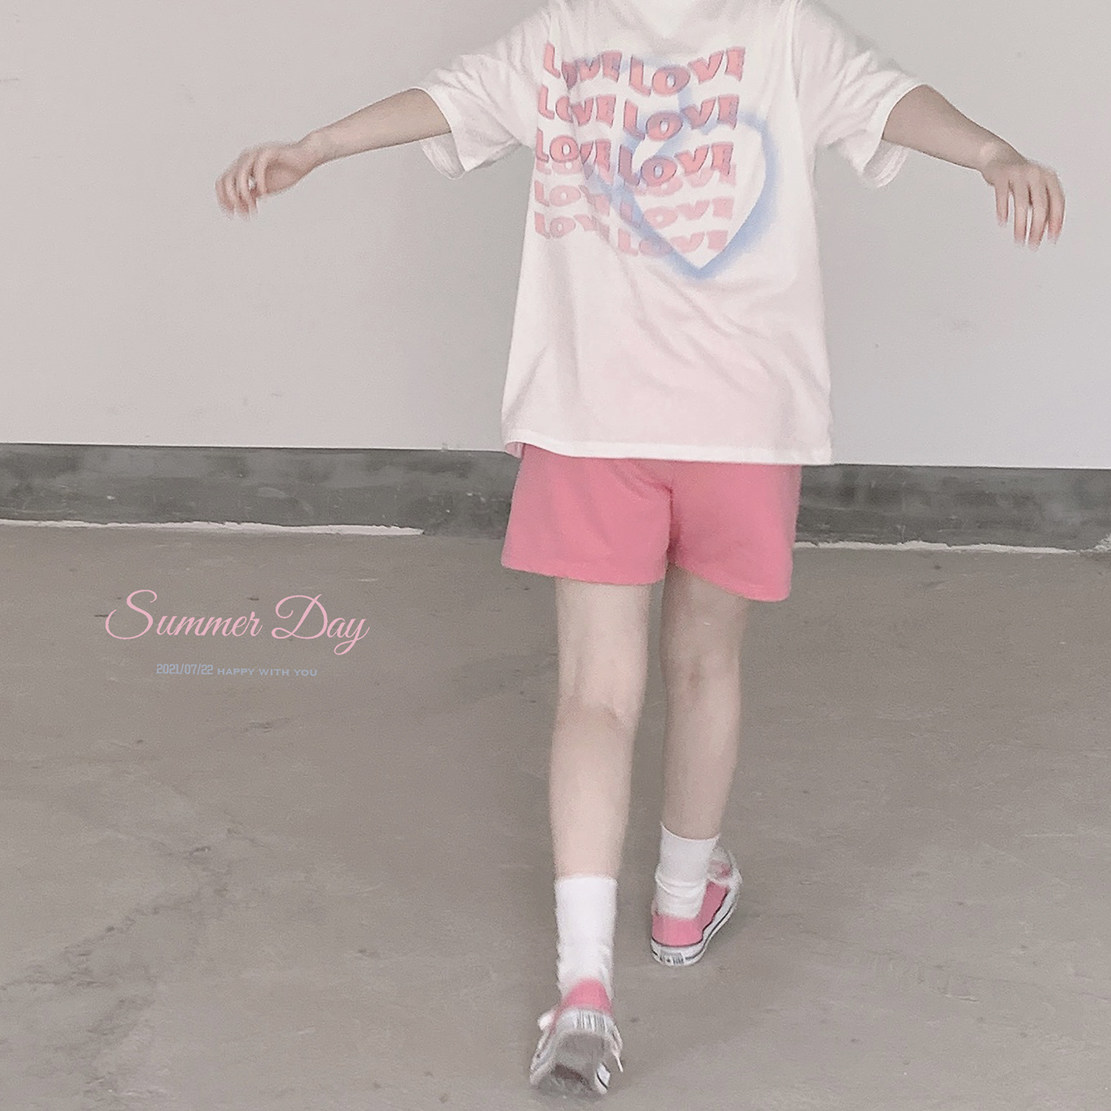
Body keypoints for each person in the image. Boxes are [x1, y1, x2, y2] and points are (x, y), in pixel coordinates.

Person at [216, 0, 1065, 1097]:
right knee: (704, 665)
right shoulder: (780, 29)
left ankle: (583, 987)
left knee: (594, 694)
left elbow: (444, 98)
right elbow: (893, 100)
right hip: (739, 423)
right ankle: (677, 902)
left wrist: (317, 145)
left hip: (590, 417)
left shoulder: (566, 33)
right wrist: (994, 154)